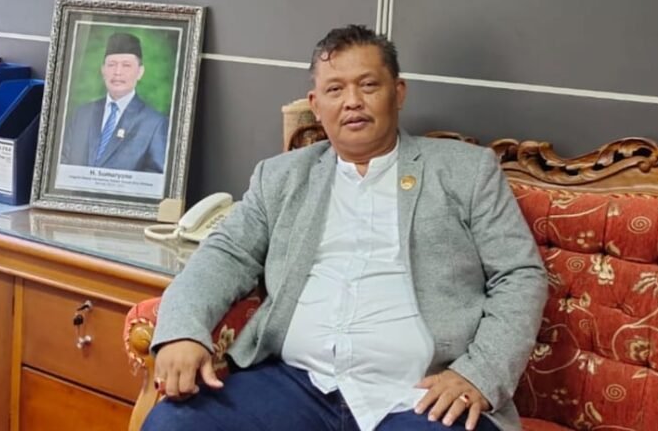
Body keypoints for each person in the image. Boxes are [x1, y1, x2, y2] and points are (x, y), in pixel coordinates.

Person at [143, 24, 547, 431]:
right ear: (316, 105)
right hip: (297, 385)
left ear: (398, 93)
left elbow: (519, 274)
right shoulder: (282, 177)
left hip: (419, 395)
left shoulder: (465, 170)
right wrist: (182, 330)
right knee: (172, 424)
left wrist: (479, 373)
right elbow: (225, 255)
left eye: (368, 85)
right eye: (335, 90)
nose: (352, 101)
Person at [61, 32, 168, 173]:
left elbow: (155, 176)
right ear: (103, 70)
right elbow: (62, 163)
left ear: (140, 72)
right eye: (111, 65)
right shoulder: (82, 114)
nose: (117, 72)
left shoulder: (154, 123)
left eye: (126, 65)